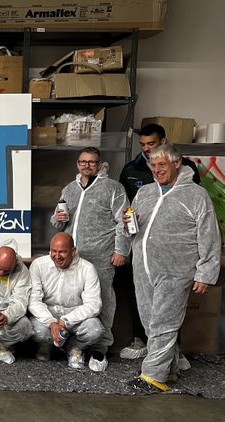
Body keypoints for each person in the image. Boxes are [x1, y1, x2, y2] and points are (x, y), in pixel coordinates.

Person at [124, 144, 220, 393]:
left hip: (176, 270)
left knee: (163, 323)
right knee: (150, 321)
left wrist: (206, 272)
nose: (156, 170)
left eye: (162, 165)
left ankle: (153, 377)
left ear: (177, 164)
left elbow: (209, 235)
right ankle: (171, 368)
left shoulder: (196, 195)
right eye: (153, 166)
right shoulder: (145, 193)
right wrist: (127, 225)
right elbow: (132, 230)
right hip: (143, 268)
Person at [117, 123, 201, 360]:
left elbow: (196, 215)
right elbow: (127, 210)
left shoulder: (187, 172)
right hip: (143, 250)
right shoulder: (131, 170)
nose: (146, 149)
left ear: (164, 142)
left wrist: (204, 270)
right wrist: (126, 233)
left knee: (170, 310)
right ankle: (148, 345)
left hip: (173, 257)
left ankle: (168, 356)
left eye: (151, 144)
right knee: (144, 302)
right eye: (142, 145)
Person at [51, 147, 130, 372]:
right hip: (72, 258)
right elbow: (57, 223)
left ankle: (100, 348)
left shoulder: (113, 188)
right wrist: (57, 218)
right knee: (73, 298)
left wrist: (121, 250)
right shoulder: (69, 189)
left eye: (92, 162)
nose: (87, 165)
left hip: (100, 255)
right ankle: (75, 343)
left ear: (100, 164)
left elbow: (123, 222)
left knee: (103, 300)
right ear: (78, 164)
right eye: (82, 162)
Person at [29, 232, 104, 369]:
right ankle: (47, 344)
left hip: (75, 314)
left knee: (95, 330)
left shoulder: (87, 268)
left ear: (73, 251)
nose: (57, 256)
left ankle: (74, 347)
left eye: (62, 252)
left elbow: (94, 305)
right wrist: (51, 322)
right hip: (48, 312)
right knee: (37, 330)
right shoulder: (38, 265)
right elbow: (34, 301)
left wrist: (65, 321)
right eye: (53, 251)